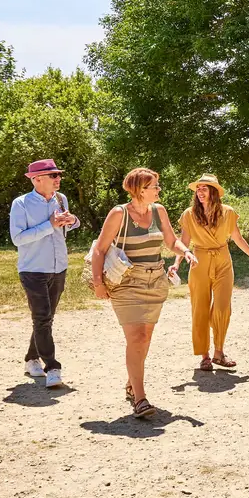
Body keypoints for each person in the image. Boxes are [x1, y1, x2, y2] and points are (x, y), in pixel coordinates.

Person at [88, 168, 192, 418]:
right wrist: (98, 283)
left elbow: (170, 240)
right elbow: (100, 250)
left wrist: (185, 251)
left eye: (157, 185)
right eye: (154, 186)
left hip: (155, 280)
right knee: (136, 338)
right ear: (139, 189)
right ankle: (140, 398)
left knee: (145, 337)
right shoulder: (119, 213)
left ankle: (131, 383)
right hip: (127, 281)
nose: (158, 189)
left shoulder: (159, 211)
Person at [180, 174, 249, 371]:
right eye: (198, 188)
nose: (200, 192)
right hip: (199, 261)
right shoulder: (189, 214)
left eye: (205, 188)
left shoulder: (228, 212)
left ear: (214, 192)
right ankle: (204, 356)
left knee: (221, 308)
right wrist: (177, 262)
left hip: (223, 261)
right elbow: (184, 242)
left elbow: (237, 237)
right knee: (200, 309)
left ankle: (218, 352)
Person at [10, 158, 80, 389]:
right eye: (53, 175)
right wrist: (49, 224)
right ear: (36, 179)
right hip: (33, 269)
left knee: (46, 319)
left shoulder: (61, 199)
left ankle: (32, 359)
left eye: (58, 174)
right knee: (42, 318)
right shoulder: (21, 204)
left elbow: (66, 227)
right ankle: (53, 367)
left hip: (59, 266)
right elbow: (17, 238)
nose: (58, 179)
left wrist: (72, 221)